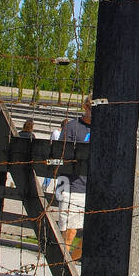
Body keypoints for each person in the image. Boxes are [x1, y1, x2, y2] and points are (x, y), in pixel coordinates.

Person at [57, 97, 92, 260]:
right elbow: (60, 155)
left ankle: (69, 266)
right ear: (85, 106)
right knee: (69, 231)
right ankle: (62, 272)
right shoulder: (72, 127)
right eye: (92, 106)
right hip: (72, 186)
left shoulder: (105, 129)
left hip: (93, 187)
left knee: (92, 235)